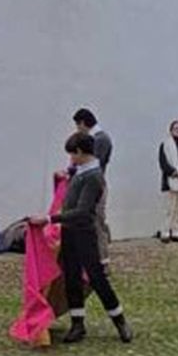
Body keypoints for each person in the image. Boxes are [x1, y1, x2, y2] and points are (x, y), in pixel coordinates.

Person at [29, 132, 132, 344]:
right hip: (69, 231)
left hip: (84, 233)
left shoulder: (94, 176)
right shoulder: (81, 171)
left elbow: (83, 212)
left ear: (79, 152)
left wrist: (49, 218)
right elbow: (71, 179)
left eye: (72, 154)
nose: (71, 159)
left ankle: (119, 320)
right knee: (71, 277)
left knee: (96, 277)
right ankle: (78, 324)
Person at [73, 108, 113, 264]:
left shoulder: (101, 139)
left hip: (95, 186)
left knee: (97, 222)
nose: (78, 129)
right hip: (90, 185)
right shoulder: (95, 138)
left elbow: (94, 165)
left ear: (83, 123)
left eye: (78, 126)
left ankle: (103, 260)